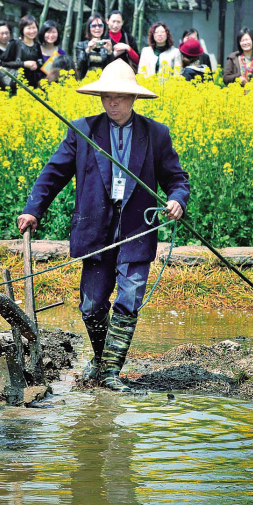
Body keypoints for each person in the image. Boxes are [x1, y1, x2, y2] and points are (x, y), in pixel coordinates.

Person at [17, 59, 189, 391]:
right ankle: (101, 359)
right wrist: (33, 210)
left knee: (130, 296)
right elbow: (53, 174)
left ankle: (110, 373)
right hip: (96, 228)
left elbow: (176, 178)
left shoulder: (155, 134)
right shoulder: (83, 130)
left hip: (137, 227)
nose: (112, 103)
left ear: (134, 99)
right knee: (92, 305)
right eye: (107, 97)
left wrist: (177, 200)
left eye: (120, 98)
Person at [1, 14, 42, 88]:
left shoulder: (37, 46)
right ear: (22, 29)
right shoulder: (15, 44)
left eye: (34, 28)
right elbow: (3, 63)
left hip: (32, 86)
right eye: (29, 28)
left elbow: (40, 64)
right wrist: (24, 64)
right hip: (16, 84)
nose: (32, 31)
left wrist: (36, 66)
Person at [75, 13, 114, 79]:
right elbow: (80, 66)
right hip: (85, 82)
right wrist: (88, 50)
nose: (97, 28)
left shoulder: (106, 45)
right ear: (89, 28)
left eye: (100, 25)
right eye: (94, 26)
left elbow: (112, 68)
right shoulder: (81, 45)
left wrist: (110, 52)